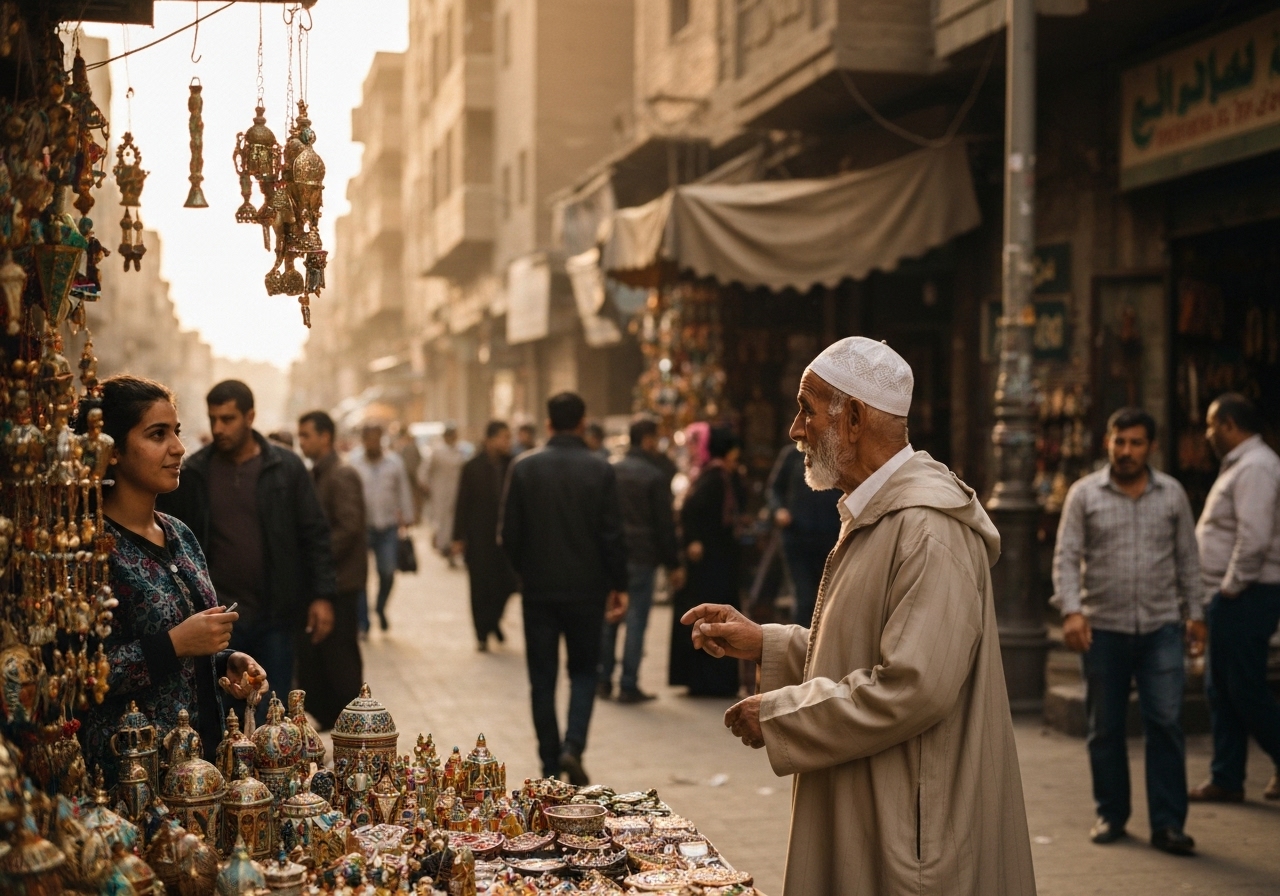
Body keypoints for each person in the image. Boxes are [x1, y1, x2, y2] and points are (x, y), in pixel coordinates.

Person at [681, 337, 1035, 895]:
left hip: (912, 829)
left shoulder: (928, 530)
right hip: (881, 803)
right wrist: (764, 643)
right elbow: (860, 648)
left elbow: (912, 687)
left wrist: (779, 715)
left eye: (807, 409)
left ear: (853, 420)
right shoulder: (881, 515)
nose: (796, 429)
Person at [79, 376, 268, 785]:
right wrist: (176, 644)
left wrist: (225, 660)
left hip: (203, 767)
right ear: (111, 451)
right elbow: (79, 676)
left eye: (177, 433)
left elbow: (187, 639)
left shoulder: (179, 533)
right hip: (133, 778)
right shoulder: (90, 549)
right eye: (157, 434)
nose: (178, 448)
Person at [1052, 407, 1203, 855]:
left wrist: (1195, 614)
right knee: (1105, 728)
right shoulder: (1083, 495)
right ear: (1108, 443)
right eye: (1120, 442)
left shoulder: (1172, 495)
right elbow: (1066, 556)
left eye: (1136, 443)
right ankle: (1111, 814)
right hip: (1103, 630)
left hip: (1161, 629)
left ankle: (1169, 824)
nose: (1127, 451)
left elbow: (1188, 560)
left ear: (1150, 447)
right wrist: (1072, 612)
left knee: (1165, 724)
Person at [158, 379, 335, 722]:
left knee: (274, 713)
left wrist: (322, 596)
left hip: (275, 615)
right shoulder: (195, 472)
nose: (219, 428)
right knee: (225, 715)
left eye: (228, 419)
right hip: (219, 619)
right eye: (214, 419)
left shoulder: (286, 468)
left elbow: (314, 534)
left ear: (250, 417)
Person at [501, 392, 628, 784]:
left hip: (539, 592)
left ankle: (549, 762)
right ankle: (573, 747)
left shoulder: (524, 468)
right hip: (586, 592)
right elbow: (612, 535)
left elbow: (509, 536)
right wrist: (618, 585)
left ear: (549, 423)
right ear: (582, 422)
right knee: (584, 673)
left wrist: (526, 576)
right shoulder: (600, 469)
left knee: (542, 678)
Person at [1189, 392, 1280, 803]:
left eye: (1211, 425)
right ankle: (1226, 777)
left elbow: (1254, 536)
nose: (1207, 434)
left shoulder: (1257, 467)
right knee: (1220, 687)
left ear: (1228, 424)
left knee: (1243, 687)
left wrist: (1230, 586)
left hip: (1246, 593)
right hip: (1229, 593)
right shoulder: (1243, 466)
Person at [599, 418, 682, 703]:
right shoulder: (654, 475)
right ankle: (628, 683)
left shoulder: (610, 470)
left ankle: (603, 679)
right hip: (643, 556)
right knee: (636, 620)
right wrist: (673, 563)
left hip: (612, 555)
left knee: (611, 616)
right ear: (646, 439)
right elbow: (664, 525)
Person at [296, 410, 366, 730]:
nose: (302, 442)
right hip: (328, 581)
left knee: (341, 660)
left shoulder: (340, 473)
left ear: (325, 436)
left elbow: (349, 528)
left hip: (342, 583)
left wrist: (316, 556)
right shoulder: (319, 473)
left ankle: (355, 724)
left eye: (307, 435)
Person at [669, 426, 746, 698]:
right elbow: (693, 511)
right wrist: (695, 540)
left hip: (716, 562)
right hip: (712, 565)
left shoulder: (719, 476)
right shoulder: (714, 478)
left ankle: (713, 680)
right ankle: (709, 680)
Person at [452, 420, 520, 651]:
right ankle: (482, 633)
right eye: (503, 437)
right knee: (480, 587)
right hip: (479, 538)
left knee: (508, 585)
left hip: (508, 539)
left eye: (509, 438)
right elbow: (462, 503)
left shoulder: (513, 465)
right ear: (489, 440)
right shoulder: (472, 467)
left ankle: (493, 621)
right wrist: (458, 537)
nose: (507, 442)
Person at [767, 442, 841, 626]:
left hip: (831, 540)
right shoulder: (792, 454)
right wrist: (778, 511)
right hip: (797, 539)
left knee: (830, 601)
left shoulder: (837, 453)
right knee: (804, 598)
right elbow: (774, 490)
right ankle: (802, 650)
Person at [351, 423, 415, 632]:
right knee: (359, 576)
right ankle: (363, 620)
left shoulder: (394, 463)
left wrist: (407, 515)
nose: (372, 443)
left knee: (387, 572)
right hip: (361, 528)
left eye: (376, 439)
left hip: (387, 526)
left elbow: (403, 490)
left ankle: (379, 607)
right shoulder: (354, 462)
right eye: (368, 439)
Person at [421, 423, 466, 564]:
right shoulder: (437, 452)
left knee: (457, 522)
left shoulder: (461, 452)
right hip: (440, 492)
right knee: (443, 524)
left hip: (458, 492)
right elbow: (424, 471)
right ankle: (445, 548)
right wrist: (427, 485)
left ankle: (455, 549)